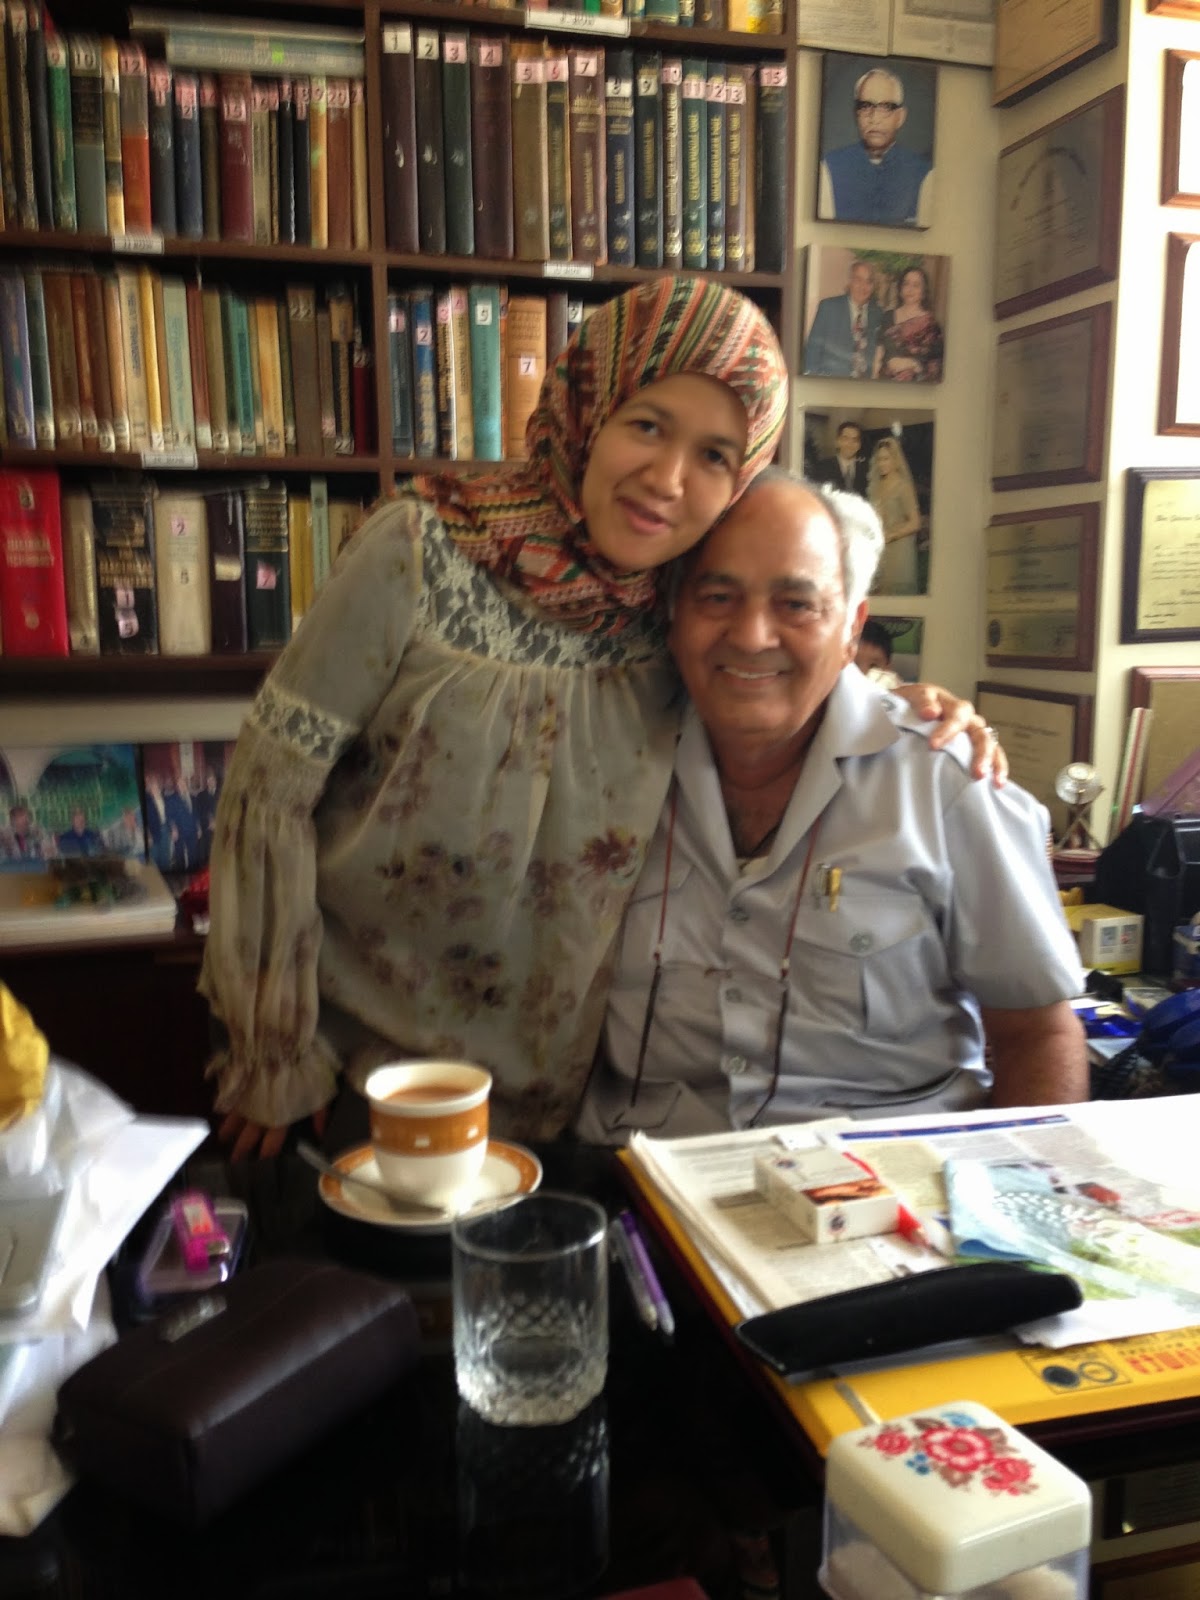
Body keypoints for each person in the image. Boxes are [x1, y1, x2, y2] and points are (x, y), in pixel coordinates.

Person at [201, 278, 998, 1161]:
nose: (667, 479)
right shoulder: (418, 550)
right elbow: (272, 789)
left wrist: (909, 703)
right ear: (586, 405)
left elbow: (790, 668)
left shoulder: (680, 612)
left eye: (715, 455)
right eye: (647, 425)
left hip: (572, 1115)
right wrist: (275, 1048)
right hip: (366, 1077)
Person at [578, 470, 1087, 1142]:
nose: (751, 635)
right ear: (673, 619)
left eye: (796, 604)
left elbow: (1038, 1034)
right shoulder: (602, 768)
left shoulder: (947, 784)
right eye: (718, 597)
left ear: (852, 629)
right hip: (638, 1177)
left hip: (890, 1181)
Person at [819, 68, 933, 228]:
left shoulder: (925, 173)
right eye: (866, 106)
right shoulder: (829, 168)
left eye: (886, 107)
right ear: (856, 114)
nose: (874, 118)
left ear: (900, 117)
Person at [803, 261, 882, 379]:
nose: (863, 286)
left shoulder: (877, 313)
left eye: (869, 281)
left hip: (863, 385)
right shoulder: (829, 307)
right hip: (831, 383)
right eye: (858, 280)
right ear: (850, 281)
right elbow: (812, 350)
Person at [868, 434, 922, 594]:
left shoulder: (903, 486)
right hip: (881, 551)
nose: (881, 464)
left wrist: (892, 535)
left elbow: (915, 522)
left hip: (900, 550)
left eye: (886, 459)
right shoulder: (876, 487)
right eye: (879, 459)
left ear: (895, 460)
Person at [874, 264, 944, 383]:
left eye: (916, 285)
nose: (910, 289)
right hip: (884, 384)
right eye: (906, 284)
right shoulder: (888, 316)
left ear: (923, 292)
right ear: (900, 288)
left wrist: (913, 364)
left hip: (916, 388)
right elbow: (879, 354)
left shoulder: (931, 326)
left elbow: (936, 365)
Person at [811, 421, 868, 496]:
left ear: (859, 445)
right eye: (845, 439)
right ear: (837, 441)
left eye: (854, 440)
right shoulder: (823, 467)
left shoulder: (867, 470)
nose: (850, 444)